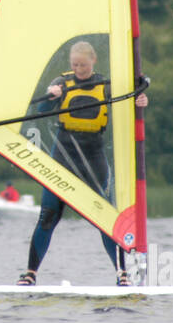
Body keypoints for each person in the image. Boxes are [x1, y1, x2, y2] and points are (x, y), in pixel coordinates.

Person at [17, 41, 148, 287]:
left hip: (93, 155)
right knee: (47, 215)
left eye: (83, 65)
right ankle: (30, 273)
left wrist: (141, 101)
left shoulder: (105, 86)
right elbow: (40, 108)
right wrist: (51, 97)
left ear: (93, 61)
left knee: (105, 216)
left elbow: (131, 100)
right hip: (63, 155)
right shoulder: (62, 83)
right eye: (75, 65)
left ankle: (122, 274)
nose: (79, 69)